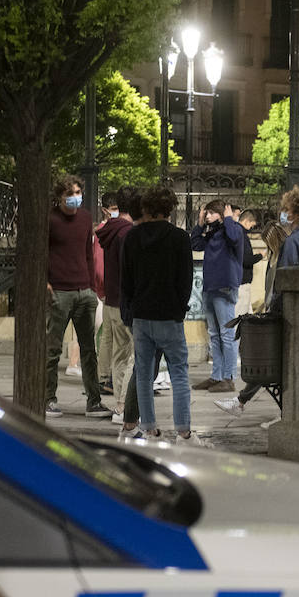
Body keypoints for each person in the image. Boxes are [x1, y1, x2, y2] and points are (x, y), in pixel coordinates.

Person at [215, 187, 299, 420]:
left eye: (287, 210)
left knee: (273, 360)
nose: (283, 213)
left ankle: (262, 406)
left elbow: (288, 280)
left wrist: (274, 309)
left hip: (289, 312)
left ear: (295, 213)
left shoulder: (294, 242)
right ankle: (259, 405)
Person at [120, 186, 205, 444]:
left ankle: (149, 430)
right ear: (169, 209)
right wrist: (179, 309)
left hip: (142, 316)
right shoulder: (179, 237)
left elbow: (127, 280)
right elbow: (185, 279)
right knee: (179, 372)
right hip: (169, 315)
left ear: (145, 208)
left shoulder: (132, 238)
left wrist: (132, 310)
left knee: (144, 374)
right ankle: (183, 432)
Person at [43, 175, 109, 419]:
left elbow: (88, 254)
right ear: (59, 196)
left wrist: (91, 286)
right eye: (70, 193)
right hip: (59, 291)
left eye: (78, 192)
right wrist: (46, 283)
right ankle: (48, 399)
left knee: (89, 350)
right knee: (52, 350)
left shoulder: (85, 218)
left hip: (84, 292)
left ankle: (94, 401)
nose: (75, 197)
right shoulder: (49, 219)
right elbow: (40, 252)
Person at [191, 199, 244, 394]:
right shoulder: (212, 233)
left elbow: (234, 239)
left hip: (225, 288)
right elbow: (195, 244)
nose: (207, 216)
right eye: (206, 213)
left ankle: (228, 378)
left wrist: (229, 219)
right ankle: (217, 376)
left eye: (211, 213)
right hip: (210, 288)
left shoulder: (234, 229)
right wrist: (199, 224)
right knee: (214, 334)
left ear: (222, 214)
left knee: (226, 334)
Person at [95, 186, 136, 422]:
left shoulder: (109, 230)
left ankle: (119, 404)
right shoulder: (126, 233)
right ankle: (123, 406)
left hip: (111, 299)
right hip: (124, 303)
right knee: (129, 356)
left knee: (118, 355)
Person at [236, 209, 263, 316]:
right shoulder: (241, 235)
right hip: (242, 283)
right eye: (251, 226)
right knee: (240, 316)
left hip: (240, 282)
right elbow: (246, 259)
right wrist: (260, 256)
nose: (251, 229)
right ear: (246, 221)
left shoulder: (237, 234)